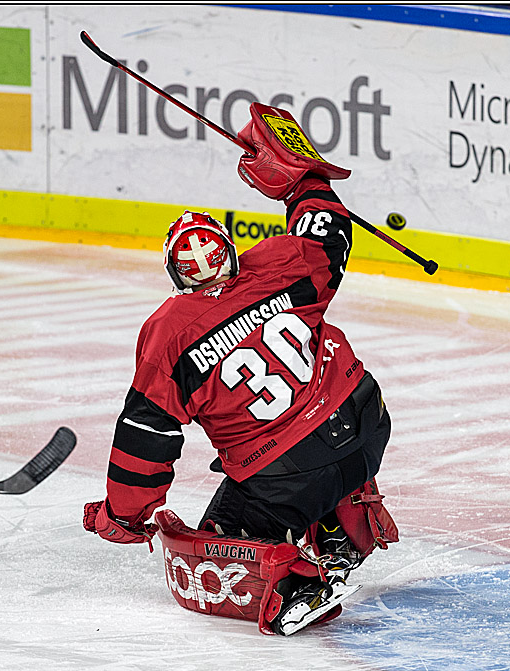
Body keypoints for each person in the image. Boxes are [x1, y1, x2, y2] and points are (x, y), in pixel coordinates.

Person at [83, 103, 398, 636]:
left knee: (212, 556)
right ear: (232, 252)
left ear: (175, 275)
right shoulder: (281, 262)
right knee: (315, 454)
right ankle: (344, 524)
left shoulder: (170, 331)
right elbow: (330, 231)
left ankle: (295, 586)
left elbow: (146, 437)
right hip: (367, 426)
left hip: (289, 475)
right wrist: (301, 177)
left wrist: (124, 515)